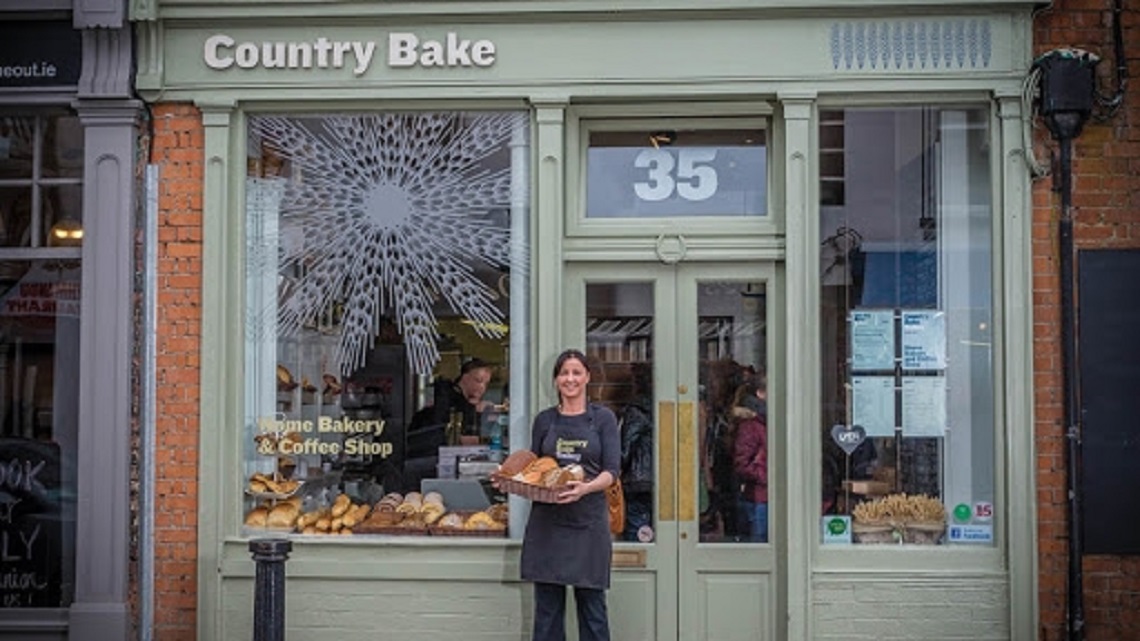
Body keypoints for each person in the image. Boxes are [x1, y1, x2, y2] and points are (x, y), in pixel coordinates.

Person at [519, 348, 620, 641]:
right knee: (547, 613)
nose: (570, 379)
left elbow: (612, 471)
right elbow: (534, 469)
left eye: (577, 372)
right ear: (556, 380)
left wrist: (585, 487)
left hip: (588, 523)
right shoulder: (544, 421)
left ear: (588, 377)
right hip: (547, 524)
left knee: (593, 611)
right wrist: (511, 480)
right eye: (564, 373)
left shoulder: (603, 419)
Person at [731, 372, 768, 543]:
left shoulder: (772, 420)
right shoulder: (751, 425)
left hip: (773, 496)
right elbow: (742, 463)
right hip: (759, 499)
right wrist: (768, 477)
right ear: (761, 393)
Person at [619, 362, 653, 542]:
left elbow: (625, 449)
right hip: (663, 482)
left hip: (639, 481)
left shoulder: (636, 411)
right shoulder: (660, 408)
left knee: (638, 531)